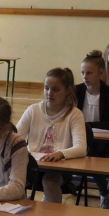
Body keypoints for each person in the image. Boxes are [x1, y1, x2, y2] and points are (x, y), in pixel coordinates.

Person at [16, 68, 87, 204]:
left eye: (55, 89)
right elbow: (16, 137)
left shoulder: (75, 114)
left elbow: (81, 148)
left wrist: (61, 154)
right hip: (33, 164)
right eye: (46, 88)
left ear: (68, 90)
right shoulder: (33, 110)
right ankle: (20, 211)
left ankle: (53, 214)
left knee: (49, 181)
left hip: (60, 168)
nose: (49, 93)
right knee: (13, 177)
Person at [76, 51, 109, 209]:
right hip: (78, 136)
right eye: (82, 72)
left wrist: (88, 126)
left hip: (102, 139)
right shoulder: (77, 91)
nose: (85, 76)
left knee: (93, 156)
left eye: (89, 73)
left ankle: (104, 193)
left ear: (100, 73)